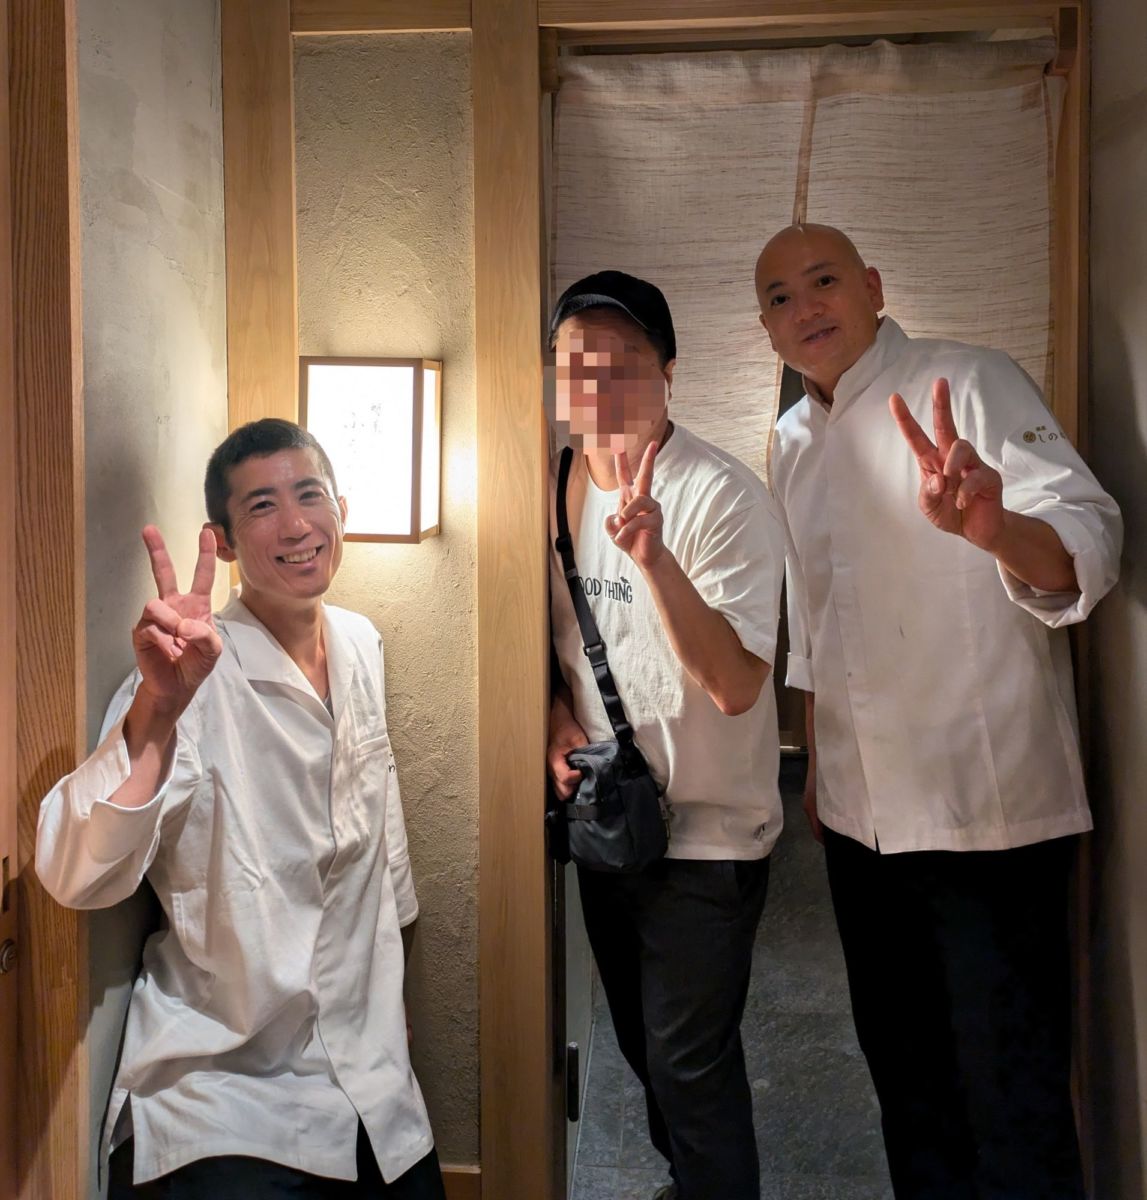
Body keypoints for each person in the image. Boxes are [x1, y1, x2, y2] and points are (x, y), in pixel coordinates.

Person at [755, 223, 1122, 1199]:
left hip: (988, 813)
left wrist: (996, 529)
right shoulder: (789, 441)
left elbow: (1090, 538)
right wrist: (818, 762)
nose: (805, 307)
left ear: (873, 286)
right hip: (860, 823)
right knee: (907, 1089)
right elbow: (815, 621)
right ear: (767, 330)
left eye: (823, 281)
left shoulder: (971, 380)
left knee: (1013, 1096)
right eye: (780, 297)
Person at [35, 419, 446, 1200]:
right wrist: (158, 711)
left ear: (341, 511)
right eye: (261, 507)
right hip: (222, 1087)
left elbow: (380, 841)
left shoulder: (360, 642)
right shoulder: (189, 675)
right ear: (222, 542)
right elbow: (72, 873)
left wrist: (389, 1007)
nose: (295, 525)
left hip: (368, 1078)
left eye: (309, 495)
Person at [546, 270, 785, 1200]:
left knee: (691, 1067)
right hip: (613, 819)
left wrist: (652, 558)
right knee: (646, 1052)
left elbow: (734, 685)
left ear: (668, 371)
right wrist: (553, 722)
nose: (595, 384)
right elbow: (544, 640)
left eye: (623, 361)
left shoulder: (721, 496)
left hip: (709, 838)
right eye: (575, 364)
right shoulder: (554, 483)